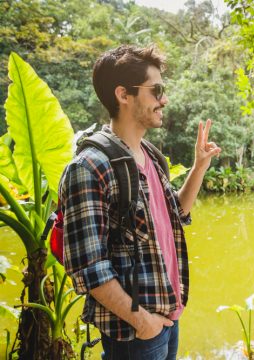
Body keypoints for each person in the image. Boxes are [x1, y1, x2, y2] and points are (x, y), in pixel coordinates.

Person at [59, 45, 221, 359]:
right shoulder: (90, 168)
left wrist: (200, 166)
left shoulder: (150, 156)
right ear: (124, 94)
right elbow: (87, 268)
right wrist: (142, 322)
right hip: (135, 333)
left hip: (167, 317)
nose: (165, 99)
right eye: (156, 90)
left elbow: (178, 215)